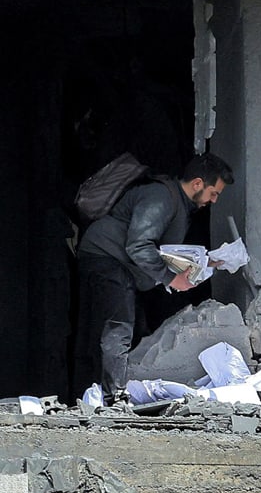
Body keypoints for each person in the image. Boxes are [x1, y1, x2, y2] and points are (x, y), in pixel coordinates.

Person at [75, 152, 231, 391]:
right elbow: (139, 245)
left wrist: (203, 261)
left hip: (121, 266)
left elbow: (164, 250)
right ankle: (112, 397)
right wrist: (171, 278)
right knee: (118, 328)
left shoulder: (177, 202)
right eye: (214, 193)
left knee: (130, 329)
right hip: (105, 258)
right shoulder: (161, 198)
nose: (214, 201)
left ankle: (113, 392)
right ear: (198, 183)